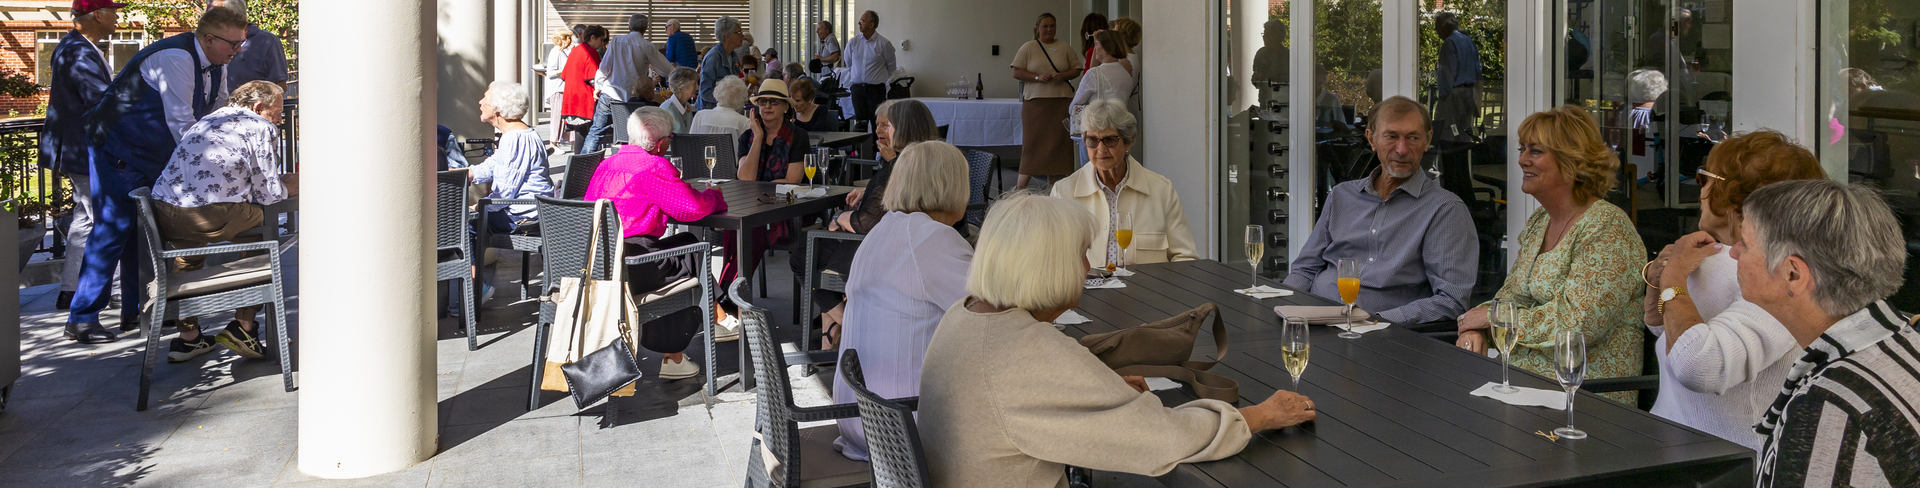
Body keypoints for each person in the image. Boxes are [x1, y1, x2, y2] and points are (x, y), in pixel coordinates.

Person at [918, 193, 1318, 486]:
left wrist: (1096, 393)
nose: (1087, 266)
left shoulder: (965, 313)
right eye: (1080, 254)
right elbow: (1163, 439)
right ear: (1051, 267)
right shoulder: (1029, 351)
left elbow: (1024, 404)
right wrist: (1260, 415)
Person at [67, 7, 248, 342]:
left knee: (146, 232)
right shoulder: (175, 58)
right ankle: (82, 318)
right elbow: (183, 124)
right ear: (209, 38)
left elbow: (218, 114)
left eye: (241, 44)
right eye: (233, 44)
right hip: (116, 148)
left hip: (151, 154)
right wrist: (217, 167)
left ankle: (139, 311)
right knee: (113, 228)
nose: (237, 51)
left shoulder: (217, 64)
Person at [1637, 131, 1825, 451]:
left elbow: (1699, 365)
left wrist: (1672, 277)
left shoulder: (1780, 276)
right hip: (1668, 444)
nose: (1700, 190)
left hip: (1728, 462)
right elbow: (1665, 330)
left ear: (1731, 196)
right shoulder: (1712, 254)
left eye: (1704, 178)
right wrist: (1661, 281)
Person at [1728, 180, 1919, 486]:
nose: (1733, 252)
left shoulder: (1829, 405)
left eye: (1745, 243)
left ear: (1794, 274)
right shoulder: (1905, 346)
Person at [1455, 105, 1646, 404]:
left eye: (1535, 151)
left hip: (1585, 398)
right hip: (1524, 385)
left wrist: (1490, 319)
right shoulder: (1540, 222)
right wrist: (1477, 329)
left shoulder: (1607, 227)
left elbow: (1580, 324)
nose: (1521, 159)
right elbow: (1511, 299)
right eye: (1522, 149)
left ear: (1572, 161)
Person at [830, 141, 973, 461]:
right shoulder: (933, 237)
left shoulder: (884, 229)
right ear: (952, 185)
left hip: (857, 414)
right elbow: (991, 310)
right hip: (901, 422)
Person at [1284, 97, 1477, 325]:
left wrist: (1376, 321)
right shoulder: (1341, 196)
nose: (1402, 149)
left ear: (1427, 141)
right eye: (1391, 136)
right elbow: (1305, 268)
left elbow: (1451, 300)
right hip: (1311, 320)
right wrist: (1284, 306)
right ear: (1371, 139)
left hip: (1380, 337)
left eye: (1413, 138)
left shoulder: (1444, 210)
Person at [581, 106, 730, 380]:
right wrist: (714, 196)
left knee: (684, 242)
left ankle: (710, 324)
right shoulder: (653, 165)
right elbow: (691, 209)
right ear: (661, 143)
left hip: (600, 261)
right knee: (692, 252)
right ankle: (712, 324)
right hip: (635, 264)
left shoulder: (607, 163)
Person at [149, 80, 294, 361]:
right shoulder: (260, 126)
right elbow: (270, 194)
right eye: (277, 110)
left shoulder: (210, 118)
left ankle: (188, 338)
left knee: (188, 254)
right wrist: (293, 185)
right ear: (258, 107)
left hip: (167, 211)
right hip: (211, 216)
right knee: (260, 235)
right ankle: (244, 326)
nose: (279, 116)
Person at [803, 99, 941, 350]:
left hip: (877, 248)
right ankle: (831, 332)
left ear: (904, 128)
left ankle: (852, 328)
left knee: (806, 257)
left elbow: (866, 222)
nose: (880, 131)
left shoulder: (902, 165)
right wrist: (870, 186)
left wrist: (838, 218)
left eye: (887, 125)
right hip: (898, 243)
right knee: (817, 254)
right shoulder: (921, 159)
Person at [41, 0, 121, 320]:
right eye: (114, 11)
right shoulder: (79, 50)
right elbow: (100, 100)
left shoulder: (78, 46)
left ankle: (70, 289)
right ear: (98, 15)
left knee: (85, 218)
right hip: (83, 148)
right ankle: (111, 290)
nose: (118, 16)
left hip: (78, 147)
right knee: (105, 217)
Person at [1052, 99, 1197, 266]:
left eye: (1110, 140)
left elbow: (1187, 259)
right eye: (1092, 140)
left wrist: (1151, 278)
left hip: (1145, 291)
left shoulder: (1161, 190)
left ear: (1129, 141)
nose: (1100, 150)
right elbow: (1051, 261)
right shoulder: (1063, 193)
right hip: (1085, 292)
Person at [466, 81, 555, 301]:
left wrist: (477, 206)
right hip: (533, 211)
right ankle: (474, 290)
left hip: (523, 217)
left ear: (496, 108)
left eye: (485, 98)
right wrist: (463, 173)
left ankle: (475, 292)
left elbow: (504, 195)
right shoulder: (519, 133)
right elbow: (492, 166)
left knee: (464, 225)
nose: (480, 102)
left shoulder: (514, 140)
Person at [584, 14, 676, 153]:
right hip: (633, 98)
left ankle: (582, 167)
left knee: (595, 133)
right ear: (645, 29)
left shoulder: (616, 41)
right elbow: (666, 70)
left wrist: (598, 86)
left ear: (629, 27)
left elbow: (605, 67)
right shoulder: (647, 46)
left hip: (610, 93)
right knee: (635, 136)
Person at [1010, 13, 1081, 191]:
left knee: (1058, 148)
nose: (1049, 29)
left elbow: (1077, 69)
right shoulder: (1028, 47)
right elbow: (1016, 71)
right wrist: (1037, 77)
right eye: (1045, 26)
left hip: (1060, 104)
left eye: (1052, 26)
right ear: (1038, 28)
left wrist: (1063, 76)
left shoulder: (1064, 46)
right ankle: (1020, 189)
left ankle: (1055, 188)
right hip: (1036, 105)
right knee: (1032, 145)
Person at [735, 79, 811, 184]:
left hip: (787, 197)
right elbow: (746, 178)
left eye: (774, 101)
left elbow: (793, 180)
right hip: (751, 198)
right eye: (763, 102)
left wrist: (762, 192)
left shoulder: (798, 135)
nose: (767, 106)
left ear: (785, 106)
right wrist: (757, 138)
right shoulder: (747, 137)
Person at [207, 0, 286, 90]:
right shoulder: (208, 42)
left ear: (235, 16)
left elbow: (279, 88)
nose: (207, 22)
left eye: (213, 17)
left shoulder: (267, 42)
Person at [1431, 11, 1482, 142]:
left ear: (1445, 27)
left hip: (1455, 94)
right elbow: (1478, 70)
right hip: (1469, 93)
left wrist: (1442, 98)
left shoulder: (1450, 42)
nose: (1437, 32)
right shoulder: (1469, 41)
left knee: (1448, 134)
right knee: (1464, 133)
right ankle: (1462, 161)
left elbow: (1447, 74)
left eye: (1437, 28)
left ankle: (1451, 162)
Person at [843, 11, 896, 130]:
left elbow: (891, 68)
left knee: (877, 122)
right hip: (857, 89)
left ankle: (877, 148)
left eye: (862, 21)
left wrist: (884, 84)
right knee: (860, 123)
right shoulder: (853, 42)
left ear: (871, 25)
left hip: (876, 90)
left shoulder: (883, 44)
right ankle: (861, 149)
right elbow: (849, 64)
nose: (859, 23)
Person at [560, 25, 608, 154]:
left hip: (571, 99)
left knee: (580, 134)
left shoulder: (575, 50)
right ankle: (587, 166)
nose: (602, 44)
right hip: (585, 101)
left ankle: (578, 165)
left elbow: (563, 75)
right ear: (593, 38)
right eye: (601, 39)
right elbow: (594, 78)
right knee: (591, 135)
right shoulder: (590, 52)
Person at [1070, 31, 1133, 119]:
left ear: (1106, 47)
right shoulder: (1126, 74)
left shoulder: (1094, 74)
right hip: (1120, 125)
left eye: (1096, 44)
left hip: (1099, 127)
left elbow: (1074, 106)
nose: (1094, 49)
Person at [697, 16, 743, 110]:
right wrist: (728, 99)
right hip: (711, 112)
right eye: (739, 33)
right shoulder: (713, 58)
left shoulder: (733, 57)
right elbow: (705, 92)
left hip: (727, 111)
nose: (743, 36)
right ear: (727, 36)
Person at [689, 75, 752, 143]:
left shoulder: (700, 116)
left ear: (717, 93)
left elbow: (690, 144)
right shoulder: (744, 122)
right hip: (731, 154)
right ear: (742, 98)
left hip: (702, 153)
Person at [541, 30, 574, 149]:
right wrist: (565, 70)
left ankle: (569, 140)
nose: (570, 41)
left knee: (565, 116)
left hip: (563, 88)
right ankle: (553, 143)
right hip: (557, 88)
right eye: (567, 38)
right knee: (557, 116)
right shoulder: (555, 52)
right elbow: (550, 73)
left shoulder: (563, 52)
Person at [661, 67, 699, 133]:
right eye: (694, 83)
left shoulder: (687, 106)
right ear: (681, 85)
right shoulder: (667, 110)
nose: (697, 88)